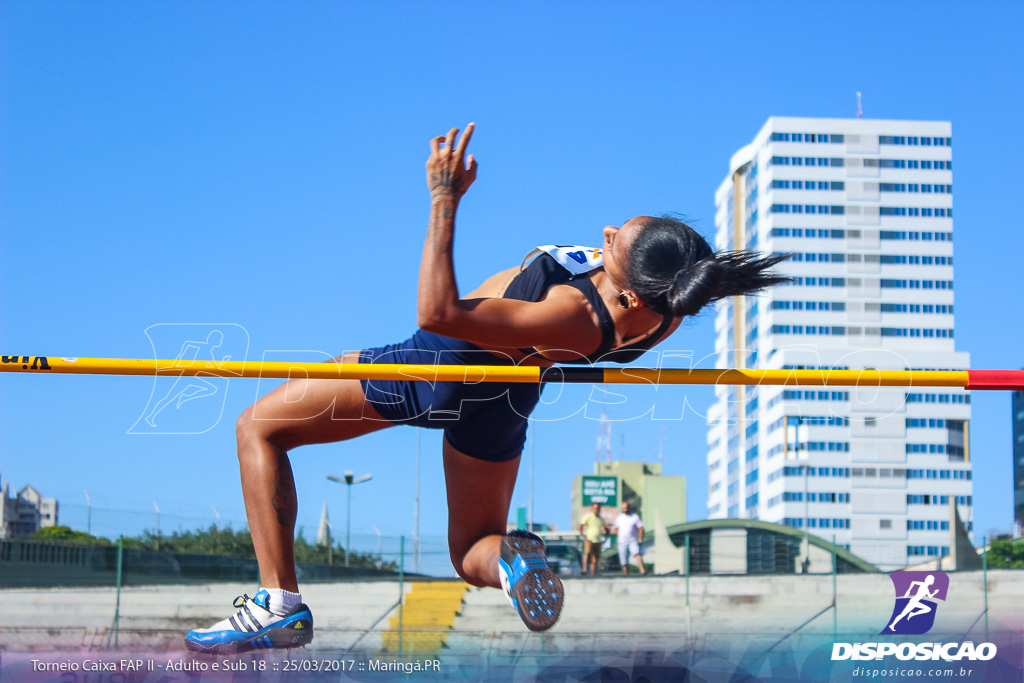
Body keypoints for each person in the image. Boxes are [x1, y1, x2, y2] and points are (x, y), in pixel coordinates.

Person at [184, 124, 790, 653]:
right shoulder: (665, 310)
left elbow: (438, 313)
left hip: (442, 366)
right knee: (471, 549)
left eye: (613, 244)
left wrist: (444, 200)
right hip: (508, 396)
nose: (605, 232)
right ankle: (511, 557)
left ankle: (278, 601)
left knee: (258, 428)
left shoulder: (574, 316)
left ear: (629, 293)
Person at [613, 501, 646, 575]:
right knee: (624, 561)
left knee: (637, 553)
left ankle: (642, 570)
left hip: (632, 540)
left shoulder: (635, 516)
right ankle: (626, 575)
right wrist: (621, 534)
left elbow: (640, 527)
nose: (626, 509)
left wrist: (640, 538)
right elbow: (616, 528)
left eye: (627, 507)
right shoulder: (620, 518)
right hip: (622, 542)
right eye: (624, 508)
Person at [578, 503, 609, 575]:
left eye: (598, 508)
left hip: (598, 540)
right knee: (587, 553)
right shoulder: (588, 517)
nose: (596, 510)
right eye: (595, 508)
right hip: (589, 539)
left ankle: (593, 572)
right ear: (592, 509)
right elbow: (580, 525)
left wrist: (606, 536)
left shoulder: (601, 519)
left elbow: (606, 528)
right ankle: (585, 569)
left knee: (595, 558)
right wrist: (582, 535)